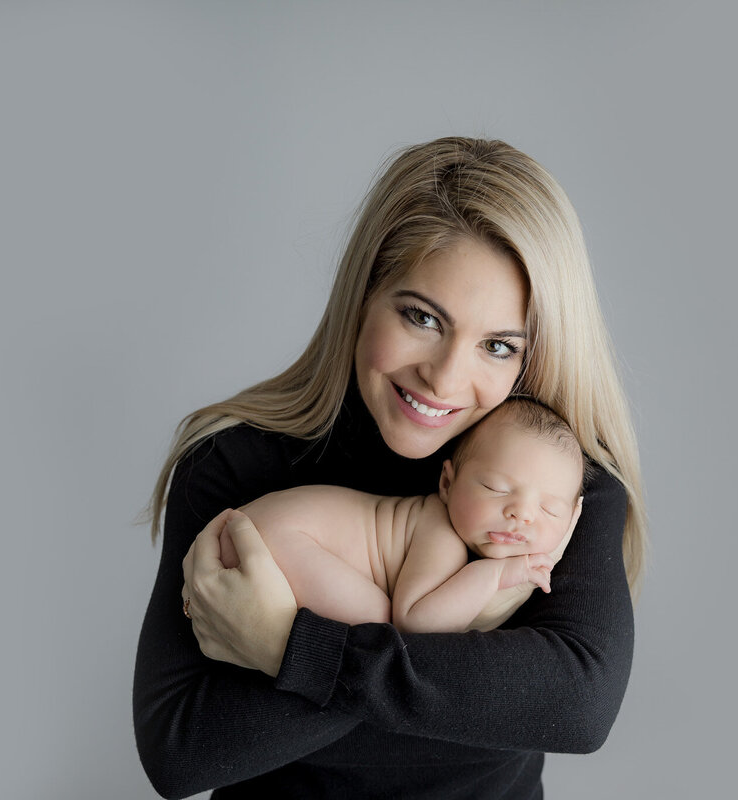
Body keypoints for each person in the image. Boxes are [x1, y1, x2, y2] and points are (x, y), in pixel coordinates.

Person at [134, 136, 647, 799]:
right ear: (363, 296)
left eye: (496, 345)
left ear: (530, 355)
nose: (444, 376)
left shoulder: (549, 487)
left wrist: (288, 649)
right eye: (421, 317)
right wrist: (447, 664)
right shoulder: (235, 464)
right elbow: (180, 753)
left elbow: (579, 706)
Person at [217, 397, 587, 634]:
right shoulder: (440, 532)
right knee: (380, 628)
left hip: (262, 529)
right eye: (496, 488)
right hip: (273, 540)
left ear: (571, 519)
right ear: (446, 483)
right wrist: (498, 575)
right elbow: (417, 624)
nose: (520, 514)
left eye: (548, 509)